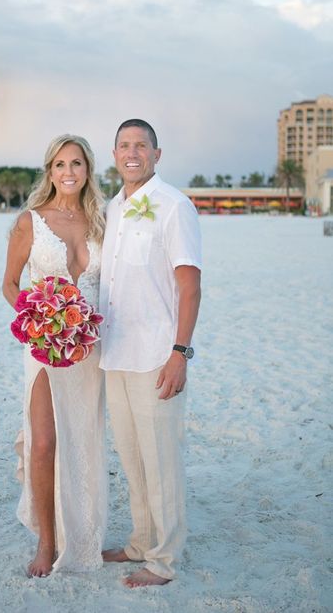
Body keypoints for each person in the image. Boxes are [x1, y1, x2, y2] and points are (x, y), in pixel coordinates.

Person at [99, 119, 202, 588]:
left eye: (141, 145)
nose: (132, 152)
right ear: (115, 154)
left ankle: (162, 561)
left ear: (157, 154)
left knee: (162, 461)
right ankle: (140, 542)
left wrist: (179, 352)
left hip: (158, 356)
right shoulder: (114, 208)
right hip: (116, 353)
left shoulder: (173, 206)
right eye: (124, 145)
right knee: (133, 457)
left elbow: (190, 285)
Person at [2, 135, 107, 577]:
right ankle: (47, 541)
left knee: (83, 442)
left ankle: (82, 536)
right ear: (50, 171)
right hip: (44, 348)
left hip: (90, 348)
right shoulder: (31, 221)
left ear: (88, 171)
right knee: (44, 442)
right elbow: (10, 284)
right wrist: (38, 324)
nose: (68, 172)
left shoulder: (104, 222)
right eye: (60, 164)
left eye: (77, 164)